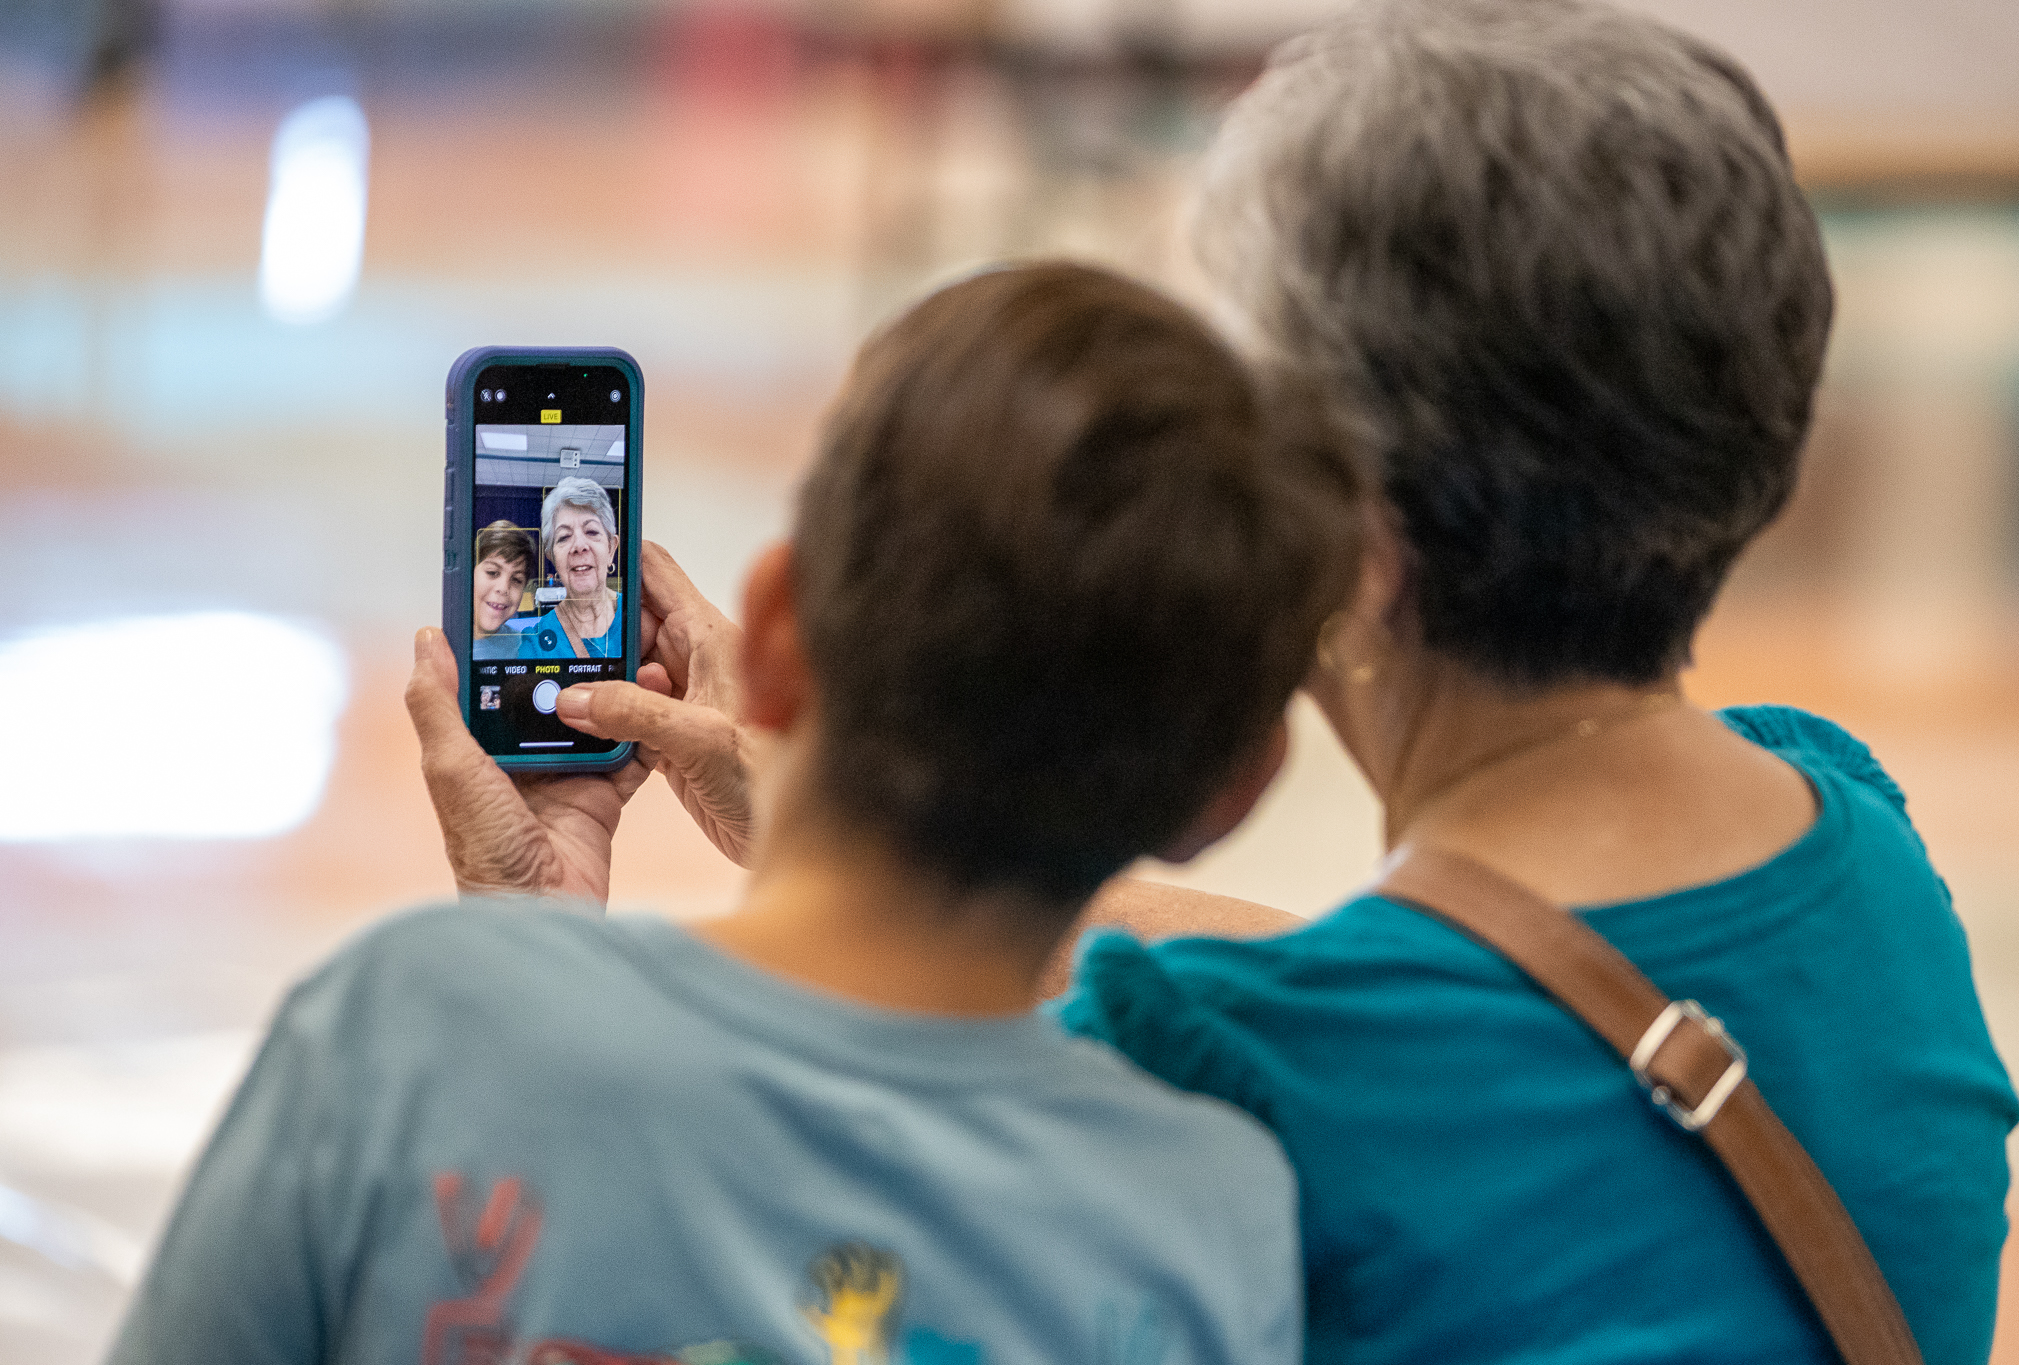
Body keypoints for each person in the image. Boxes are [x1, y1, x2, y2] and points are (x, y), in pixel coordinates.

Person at [544, 3, 2019, 1363]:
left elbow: (680, 1302)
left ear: (1360, 549)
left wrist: (531, 943)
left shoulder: (1208, 1100)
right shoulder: (1862, 850)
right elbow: (1479, 1011)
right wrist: (894, 845)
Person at [107, 262, 1363, 1364]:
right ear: (1235, 790)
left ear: (768, 634)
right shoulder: (1219, 1217)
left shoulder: (405, 1031)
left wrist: (529, 959)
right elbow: (1319, 981)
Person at [522, 475, 623, 659]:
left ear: (611, 549)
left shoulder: (639, 621)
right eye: (564, 537)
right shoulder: (535, 644)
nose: (579, 546)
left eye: (591, 531)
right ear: (551, 556)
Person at [472, 519, 536, 660]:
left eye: (516, 580)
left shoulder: (526, 647)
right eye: (492, 572)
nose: (503, 589)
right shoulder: (442, 646)